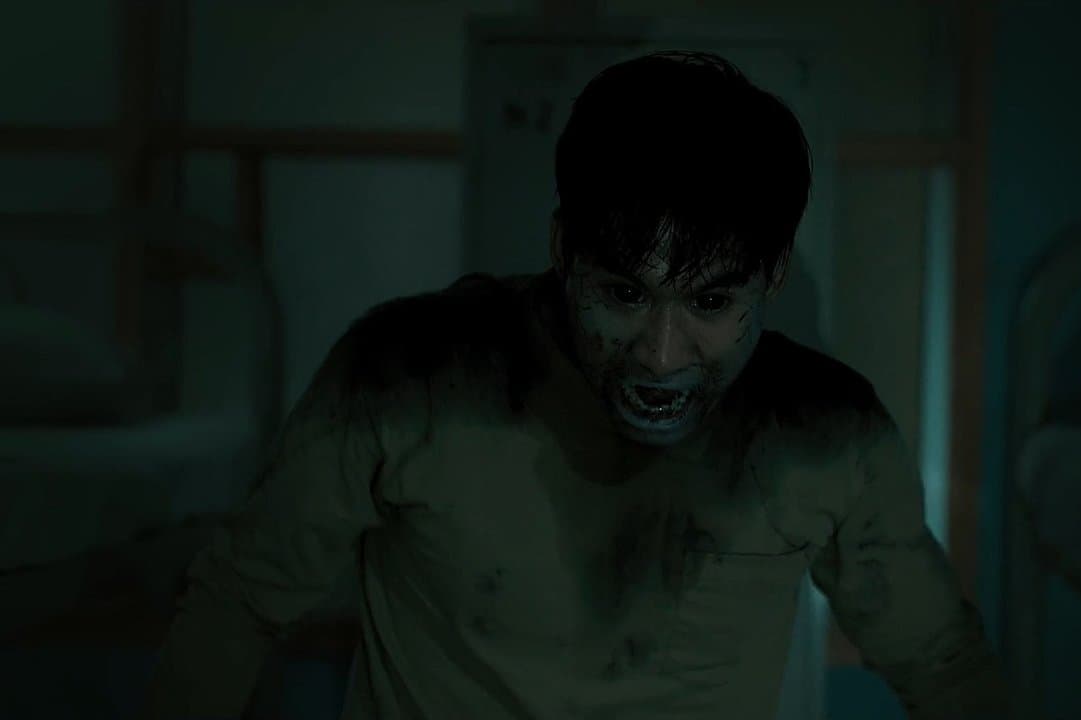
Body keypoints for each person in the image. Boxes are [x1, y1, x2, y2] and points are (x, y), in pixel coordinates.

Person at [144, 50, 1009, 720]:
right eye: (624, 295)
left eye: (711, 303)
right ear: (563, 249)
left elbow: (940, 661)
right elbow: (240, 599)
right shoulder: (411, 377)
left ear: (772, 275)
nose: (661, 355)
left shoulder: (824, 432)